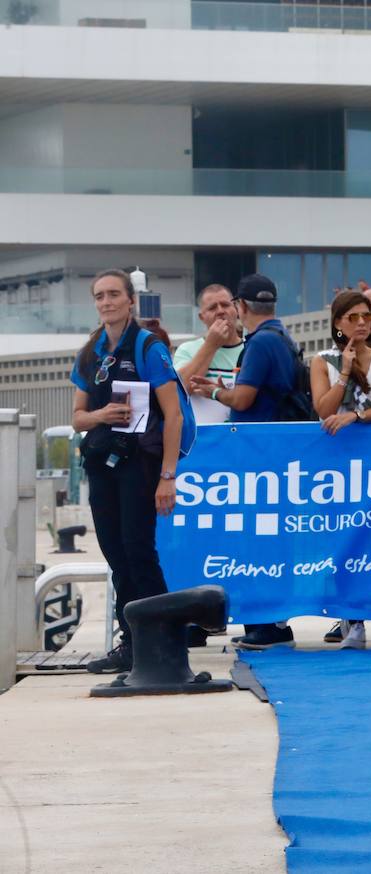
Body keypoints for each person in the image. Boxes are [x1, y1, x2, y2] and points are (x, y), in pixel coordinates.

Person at [70, 269, 182, 674]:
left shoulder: (148, 346)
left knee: (139, 551)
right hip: (102, 466)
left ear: (130, 300)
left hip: (140, 465)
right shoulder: (90, 352)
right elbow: (78, 418)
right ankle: (132, 640)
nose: (106, 302)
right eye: (99, 296)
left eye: (114, 294)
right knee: (116, 555)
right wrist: (101, 414)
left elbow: (173, 415)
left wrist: (167, 476)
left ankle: (162, 640)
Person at [190, 274, 301, 650]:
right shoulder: (284, 338)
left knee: (258, 541)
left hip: (257, 456)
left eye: (229, 305)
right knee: (263, 539)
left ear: (241, 307)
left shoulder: (261, 343)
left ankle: (267, 622)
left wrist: (217, 391)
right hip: (267, 454)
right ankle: (268, 619)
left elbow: (244, 400)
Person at [309, 291, 371, 649]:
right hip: (336, 467)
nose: (363, 323)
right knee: (341, 537)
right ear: (338, 324)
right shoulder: (322, 361)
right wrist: (345, 372)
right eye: (354, 318)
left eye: (367, 316)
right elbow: (323, 409)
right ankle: (350, 617)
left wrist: (356, 416)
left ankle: (369, 610)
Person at [176, 284, 243, 427]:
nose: (220, 311)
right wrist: (211, 345)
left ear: (236, 309)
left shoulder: (250, 349)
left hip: (240, 439)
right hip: (202, 442)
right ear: (202, 317)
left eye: (225, 305)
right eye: (212, 308)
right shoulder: (187, 349)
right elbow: (180, 389)